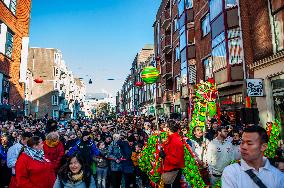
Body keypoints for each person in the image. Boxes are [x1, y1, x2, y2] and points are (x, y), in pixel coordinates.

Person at [160, 120, 185, 188]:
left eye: (165, 127)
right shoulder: (171, 138)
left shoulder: (176, 140)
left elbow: (177, 160)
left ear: (168, 129)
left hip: (173, 172)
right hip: (170, 171)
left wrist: (165, 156)